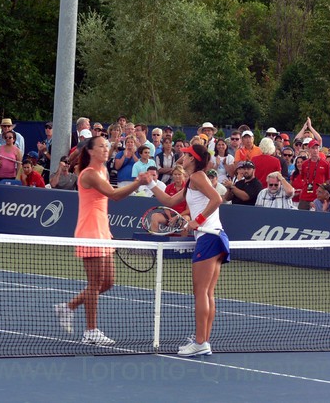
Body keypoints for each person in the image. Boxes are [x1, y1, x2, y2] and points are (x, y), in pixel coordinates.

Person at [54, 136, 150, 345]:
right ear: (90, 151)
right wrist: (138, 182)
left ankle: (68, 307)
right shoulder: (88, 174)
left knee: (107, 282)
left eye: (107, 146)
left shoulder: (103, 171)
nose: (106, 149)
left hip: (102, 230)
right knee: (95, 283)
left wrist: (106, 230)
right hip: (89, 231)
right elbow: (114, 195)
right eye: (101, 146)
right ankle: (91, 331)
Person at [149, 143, 229, 356]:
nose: (182, 157)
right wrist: (150, 183)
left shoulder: (197, 177)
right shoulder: (191, 181)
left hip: (208, 236)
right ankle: (203, 341)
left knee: (201, 292)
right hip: (215, 237)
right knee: (207, 292)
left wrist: (197, 220)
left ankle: (200, 341)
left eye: (185, 155)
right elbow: (169, 200)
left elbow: (217, 199)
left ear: (192, 158)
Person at [298, 140, 330, 210]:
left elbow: (327, 181)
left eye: (317, 148)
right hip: (305, 196)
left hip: (319, 197)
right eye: (313, 148)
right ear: (309, 149)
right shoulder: (304, 164)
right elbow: (303, 178)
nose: (315, 150)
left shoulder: (325, 164)